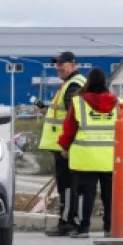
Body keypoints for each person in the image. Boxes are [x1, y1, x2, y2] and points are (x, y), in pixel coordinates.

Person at [58, 68, 118, 238]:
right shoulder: (117, 103)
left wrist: (64, 146)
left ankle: (83, 228)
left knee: (85, 193)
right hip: (110, 156)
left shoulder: (78, 102)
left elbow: (69, 127)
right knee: (110, 195)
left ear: (88, 82)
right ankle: (109, 227)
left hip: (86, 156)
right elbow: (122, 129)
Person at [38, 52, 86, 235]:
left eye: (62, 64)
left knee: (67, 185)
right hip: (65, 144)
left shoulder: (74, 85)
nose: (58, 67)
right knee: (68, 184)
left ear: (73, 65)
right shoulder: (70, 84)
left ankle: (66, 222)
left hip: (66, 145)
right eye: (57, 65)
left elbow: (72, 116)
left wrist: (67, 145)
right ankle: (69, 220)